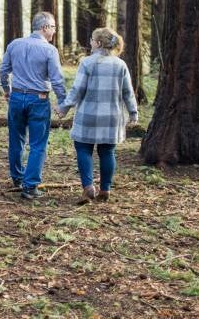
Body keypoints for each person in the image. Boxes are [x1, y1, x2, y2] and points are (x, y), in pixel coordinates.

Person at [57, 27, 139, 204]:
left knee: (83, 148)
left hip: (89, 114)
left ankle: (88, 187)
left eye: (92, 40)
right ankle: (105, 189)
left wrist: (64, 107)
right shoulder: (120, 64)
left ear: (99, 43)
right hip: (112, 117)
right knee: (107, 151)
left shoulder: (87, 62)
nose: (90, 43)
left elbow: (77, 89)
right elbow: (128, 92)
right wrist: (133, 112)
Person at [0, 12, 67, 200]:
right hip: (39, 100)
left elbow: (3, 70)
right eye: (53, 27)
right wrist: (63, 102)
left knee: (16, 139)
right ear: (44, 28)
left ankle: (18, 178)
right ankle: (30, 187)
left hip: (17, 97)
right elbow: (57, 80)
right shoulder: (49, 50)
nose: (54, 31)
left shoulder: (14, 44)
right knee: (38, 144)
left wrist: (7, 89)